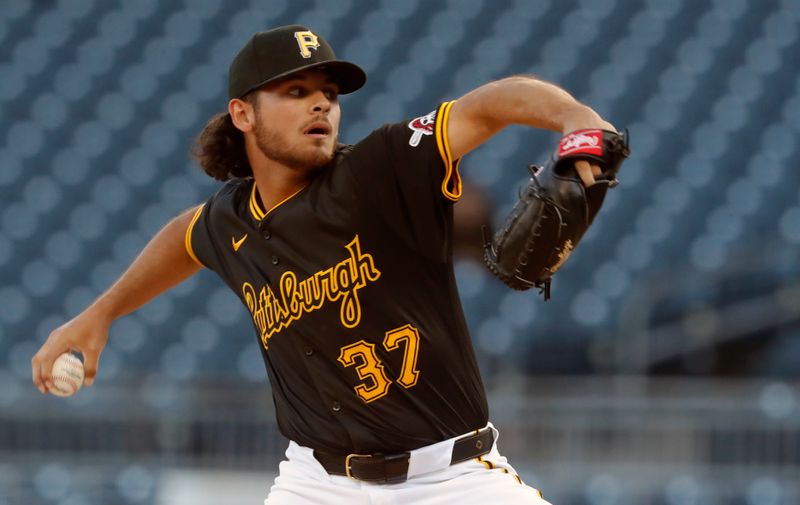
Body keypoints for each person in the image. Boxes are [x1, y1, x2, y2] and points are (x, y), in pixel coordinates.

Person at [31, 25, 614, 504]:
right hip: (316, 485)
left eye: (329, 94)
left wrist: (574, 117)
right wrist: (101, 313)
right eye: (295, 91)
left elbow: (488, 106)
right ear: (243, 113)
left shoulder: (379, 170)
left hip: (451, 478)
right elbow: (185, 237)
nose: (320, 104)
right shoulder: (230, 219)